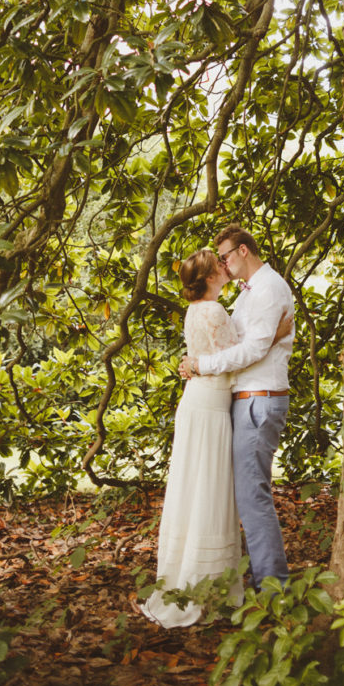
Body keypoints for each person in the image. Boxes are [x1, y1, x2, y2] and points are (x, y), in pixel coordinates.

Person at [180, 224, 295, 588]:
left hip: (259, 400)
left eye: (226, 256)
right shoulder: (248, 293)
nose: (224, 265)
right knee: (243, 493)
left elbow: (251, 350)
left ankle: (273, 587)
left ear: (243, 250)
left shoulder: (269, 288)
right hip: (245, 399)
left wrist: (200, 364)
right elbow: (243, 342)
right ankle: (263, 580)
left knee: (251, 495)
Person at [140, 248, 242, 628]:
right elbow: (238, 358)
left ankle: (191, 580)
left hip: (198, 401)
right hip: (211, 404)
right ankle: (207, 585)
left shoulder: (194, 311)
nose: (223, 264)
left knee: (196, 487)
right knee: (209, 489)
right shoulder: (213, 311)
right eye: (217, 263)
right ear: (209, 275)